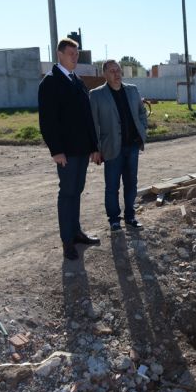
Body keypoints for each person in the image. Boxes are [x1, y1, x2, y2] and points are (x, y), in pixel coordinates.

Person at [38, 38, 101, 261]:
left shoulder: (77, 80)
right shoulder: (50, 82)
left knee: (76, 192)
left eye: (77, 54)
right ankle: (67, 242)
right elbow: (47, 121)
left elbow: (87, 118)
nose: (75, 57)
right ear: (60, 55)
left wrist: (94, 146)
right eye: (71, 54)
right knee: (67, 193)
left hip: (83, 150)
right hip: (66, 152)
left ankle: (76, 232)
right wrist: (56, 150)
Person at [90, 60, 148, 231]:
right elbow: (93, 124)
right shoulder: (96, 95)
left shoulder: (132, 90)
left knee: (131, 183)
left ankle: (130, 217)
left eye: (118, 70)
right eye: (112, 71)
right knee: (112, 186)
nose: (116, 74)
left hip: (132, 147)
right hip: (111, 148)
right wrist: (96, 148)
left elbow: (141, 112)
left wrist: (142, 130)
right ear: (104, 74)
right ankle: (114, 220)